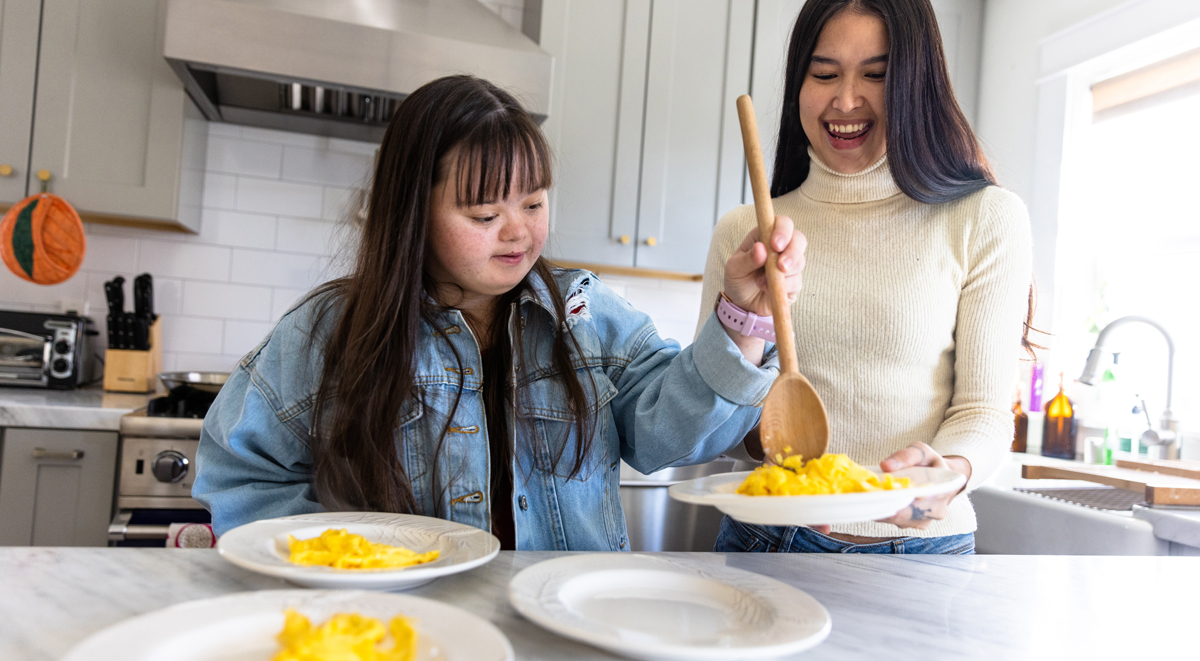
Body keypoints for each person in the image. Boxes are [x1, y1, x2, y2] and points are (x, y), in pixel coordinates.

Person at [192, 74, 807, 551]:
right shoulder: (331, 330)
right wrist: (335, 561)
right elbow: (239, 473)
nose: (518, 232)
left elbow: (666, 435)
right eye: (484, 215)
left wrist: (742, 320)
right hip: (410, 634)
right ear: (413, 214)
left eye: (534, 203)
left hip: (562, 633)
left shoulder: (581, 312)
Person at [701, 0, 1033, 554]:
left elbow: (983, 412)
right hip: (769, 540)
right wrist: (744, 332)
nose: (845, 100)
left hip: (925, 551)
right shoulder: (747, 231)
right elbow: (721, 422)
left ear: (916, 85)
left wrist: (942, 480)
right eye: (824, 73)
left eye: (876, 75)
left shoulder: (986, 218)